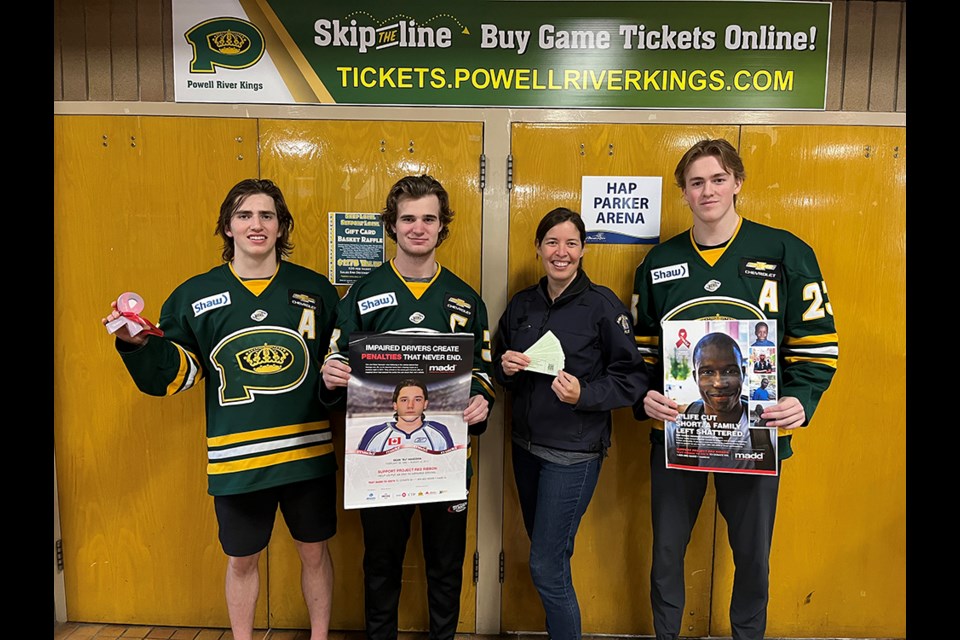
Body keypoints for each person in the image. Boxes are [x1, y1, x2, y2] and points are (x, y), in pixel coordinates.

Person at [101, 178, 340, 640]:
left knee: (315, 552)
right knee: (241, 558)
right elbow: (178, 372)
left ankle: (320, 637)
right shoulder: (196, 294)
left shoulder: (315, 289)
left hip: (306, 455)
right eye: (245, 215)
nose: (257, 224)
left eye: (267, 215)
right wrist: (134, 344)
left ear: (281, 226)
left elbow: (340, 359)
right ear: (228, 227)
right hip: (237, 458)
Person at [632, 139, 838, 640]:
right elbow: (641, 356)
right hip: (678, 435)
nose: (708, 191)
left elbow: (817, 345)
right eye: (696, 182)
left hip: (758, 435)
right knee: (666, 553)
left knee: (752, 557)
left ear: (738, 183)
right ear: (683, 192)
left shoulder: (786, 251)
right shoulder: (658, 263)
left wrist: (801, 402)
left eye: (718, 179)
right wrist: (646, 397)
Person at [321, 174, 495, 640]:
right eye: (408, 218)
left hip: (447, 461)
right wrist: (332, 374)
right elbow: (337, 360)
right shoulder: (362, 293)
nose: (419, 227)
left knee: (446, 566)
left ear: (442, 227)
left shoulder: (465, 298)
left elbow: (483, 368)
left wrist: (482, 400)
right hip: (381, 465)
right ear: (392, 227)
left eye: (429, 219)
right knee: (380, 566)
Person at [493, 207, 648, 640]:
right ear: (539, 248)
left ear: (583, 250)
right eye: (552, 242)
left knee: (545, 564)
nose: (561, 252)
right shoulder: (522, 303)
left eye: (571, 243)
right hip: (524, 448)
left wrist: (586, 394)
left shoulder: (603, 306)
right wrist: (505, 367)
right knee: (551, 560)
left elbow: (632, 379)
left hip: (573, 455)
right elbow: (499, 368)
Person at [665, 332, 774, 470]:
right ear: (695, 377)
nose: (719, 383)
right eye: (708, 372)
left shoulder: (767, 428)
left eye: (730, 371)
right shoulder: (677, 429)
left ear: (743, 373)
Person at [357, 379, 456, 454]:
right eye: (404, 400)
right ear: (395, 405)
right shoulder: (373, 434)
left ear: (425, 404)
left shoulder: (440, 431)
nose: (410, 406)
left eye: (417, 400)